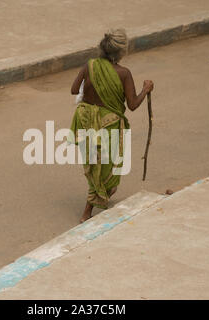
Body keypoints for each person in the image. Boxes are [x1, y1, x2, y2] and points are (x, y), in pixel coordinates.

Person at [69, 28, 154, 223]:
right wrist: (145, 89)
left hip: (84, 120)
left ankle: (102, 194)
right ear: (121, 52)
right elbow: (132, 105)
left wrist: (91, 88)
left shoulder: (89, 65)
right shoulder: (123, 73)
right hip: (107, 126)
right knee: (105, 168)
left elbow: (74, 89)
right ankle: (87, 212)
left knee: (93, 164)